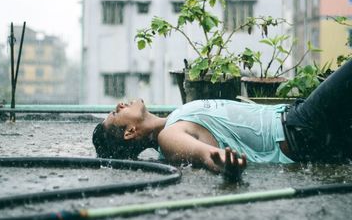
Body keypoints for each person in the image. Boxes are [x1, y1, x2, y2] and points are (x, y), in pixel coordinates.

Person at [92, 59, 352, 181]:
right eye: (116, 113)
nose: (119, 105)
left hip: (302, 125)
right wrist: (223, 164)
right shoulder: (168, 137)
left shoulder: (174, 119)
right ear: (129, 132)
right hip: (300, 129)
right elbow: (206, 155)